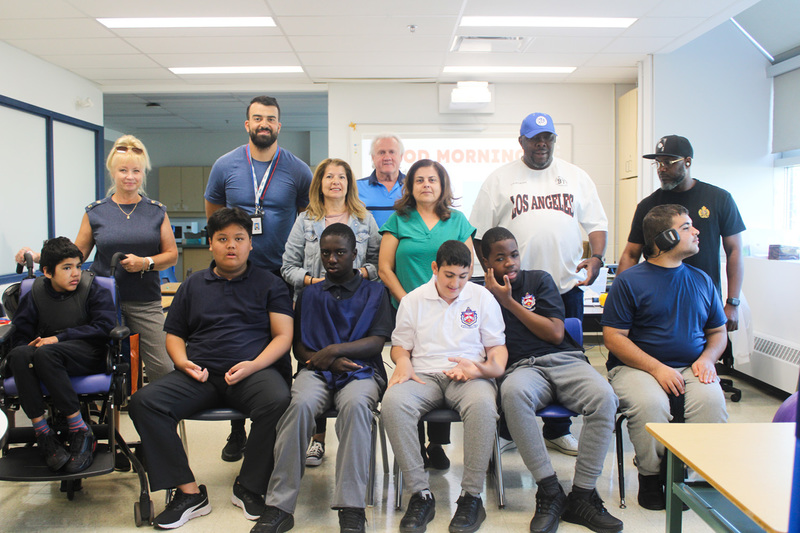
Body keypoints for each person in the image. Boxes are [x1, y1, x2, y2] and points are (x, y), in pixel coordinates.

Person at [128, 208, 293, 530]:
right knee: (145, 402)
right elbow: (174, 334)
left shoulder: (270, 284)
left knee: (278, 400)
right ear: (211, 244)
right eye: (223, 239)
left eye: (239, 239)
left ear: (250, 244)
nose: (231, 245)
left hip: (252, 373)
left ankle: (249, 485)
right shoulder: (193, 285)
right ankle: (188, 493)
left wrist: (254, 365)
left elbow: (283, 335)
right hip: (199, 375)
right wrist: (182, 362)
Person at [470, 112, 608, 456]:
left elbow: (596, 224)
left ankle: (558, 430)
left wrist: (597, 257)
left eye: (548, 138)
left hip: (564, 286)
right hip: (513, 289)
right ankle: (509, 429)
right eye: (535, 139)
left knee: (564, 357)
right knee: (511, 356)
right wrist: (490, 271)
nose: (542, 144)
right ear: (522, 142)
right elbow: (479, 233)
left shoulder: (575, 176)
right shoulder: (500, 179)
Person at [481, 227, 622, 533]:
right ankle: (549, 491)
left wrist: (509, 302)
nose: (510, 262)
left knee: (605, 398)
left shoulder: (539, 280)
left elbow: (556, 333)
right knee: (513, 395)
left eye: (514, 254)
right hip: (522, 369)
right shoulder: (481, 296)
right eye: (500, 258)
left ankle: (583, 496)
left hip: (565, 360)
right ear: (486, 264)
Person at [254, 224, 393, 533]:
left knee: (356, 407)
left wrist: (333, 351)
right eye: (326, 253)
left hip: (360, 370)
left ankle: (351, 507)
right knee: (299, 406)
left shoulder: (375, 291)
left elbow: (376, 342)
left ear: (354, 254)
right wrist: (323, 360)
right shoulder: (309, 294)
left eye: (340, 252)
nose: (332, 259)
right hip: (315, 370)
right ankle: (279, 506)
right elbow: (299, 346)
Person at [16, 135, 177, 386]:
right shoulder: (96, 212)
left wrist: (145, 262)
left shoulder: (157, 211)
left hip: (145, 300)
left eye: (136, 171)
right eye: (123, 170)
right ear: (113, 172)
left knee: (163, 366)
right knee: (107, 361)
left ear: (143, 174)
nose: (130, 177)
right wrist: (38, 257)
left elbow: (171, 255)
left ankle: (162, 406)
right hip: (102, 301)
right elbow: (76, 254)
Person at [204, 95, 312, 462]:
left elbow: (306, 220)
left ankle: (273, 430)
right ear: (247, 124)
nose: (264, 123)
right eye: (257, 118)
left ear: (279, 125)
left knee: (279, 351)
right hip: (237, 274)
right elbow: (215, 217)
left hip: (280, 274)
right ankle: (237, 430)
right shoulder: (225, 165)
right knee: (237, 345)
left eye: (270, 118)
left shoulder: (298, 170)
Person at [603, 204, 728, 511]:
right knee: (650, 404)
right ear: (665, 238)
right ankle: (650, 476)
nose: (696, 231)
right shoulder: (629, 281)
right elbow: (614, 337)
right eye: (686, 227)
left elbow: (718, 332)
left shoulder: (702, 280)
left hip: (691, 366)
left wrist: (708, 359)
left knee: (712, 401)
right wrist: (657, 369)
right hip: (636, 368)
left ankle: (689, 477)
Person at [381, 240, 507, 533]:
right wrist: (403, 361)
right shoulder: (413, 300)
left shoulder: (482, 297)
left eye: (463, 276)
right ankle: (420, 494)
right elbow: (400, 346)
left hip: (469, 374)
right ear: (435, 268)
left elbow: (497, 348)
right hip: (424, 375)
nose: (455, 284)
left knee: (483, 405)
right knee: (393, 403)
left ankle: (471, 497)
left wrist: (482, 369)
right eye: (449, 275)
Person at [282, 157, 380, 467]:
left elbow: (377, 262)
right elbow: (288, 266)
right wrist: (315, 283)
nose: (335, 181)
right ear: (319, 183)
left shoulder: (364, 219)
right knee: (316, 367)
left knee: (343, 370)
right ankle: (317, 440)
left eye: (341, 176)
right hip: (315, 303)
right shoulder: (305, 220)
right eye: (329, 176)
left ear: (350, 183)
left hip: (353, 304)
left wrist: (356, 276)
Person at [379, 159, 476, 470]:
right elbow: (384, 268)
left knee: (444, 364)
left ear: (442, 185)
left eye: (432, 180)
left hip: (449, 310)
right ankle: (415, 445)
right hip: (408, 309)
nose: (426, 185)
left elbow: (468, 266)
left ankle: (437, 444)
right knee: (414, 372)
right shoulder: (399, 219)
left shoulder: (457, 220)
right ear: (410, 186)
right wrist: (409, 301)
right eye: (419, 180)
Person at [6, 237, 115, 474]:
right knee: (19, 355)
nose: (75, 273)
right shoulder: (35, 293)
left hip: (87, 352)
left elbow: (105, 327)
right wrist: (26, 351)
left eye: (78, 266)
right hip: (47, 354)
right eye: (67, 268)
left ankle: (80, 429)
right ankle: (43, 433)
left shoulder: (92, 288)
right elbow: (20, 334)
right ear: (47, 272)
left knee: (45, 353)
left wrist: (59, 338)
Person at [617, 135, 745, 332]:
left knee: (709, 348)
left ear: (687, 162)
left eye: (668, 162)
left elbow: (734, 251)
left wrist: (732, 302)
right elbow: (631, 254)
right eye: (658, 163)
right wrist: (618, 299)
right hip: (658, 303)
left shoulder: (718, 199)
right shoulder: (648, 206)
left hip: (703, 299)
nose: (661, 169)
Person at [356, 134, 406, 228]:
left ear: (401, 156)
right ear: (373, 157)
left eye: (392, 152)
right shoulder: (355, 187)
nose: (387, 157)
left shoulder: (413, 186)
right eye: (382, 152)